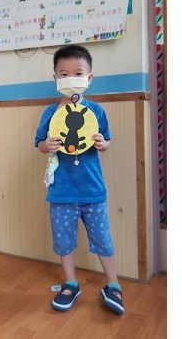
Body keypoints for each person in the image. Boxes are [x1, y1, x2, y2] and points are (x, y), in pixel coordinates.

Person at [34, 44, 124, 315]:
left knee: (103, 239)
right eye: (64, 74)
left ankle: (113, 285)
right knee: (64, 241)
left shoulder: (96, 111)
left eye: (78, 73)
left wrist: (103, 144)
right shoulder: (51, 113)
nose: (70, 78)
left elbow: (107, 141)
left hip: (92, 190)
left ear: (89, 77)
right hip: (61, 192)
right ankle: (71, 283)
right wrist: (47, 145)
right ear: (56, 79)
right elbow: (39, 144)